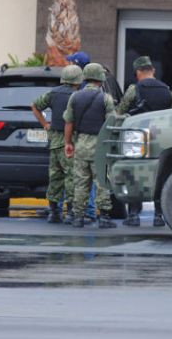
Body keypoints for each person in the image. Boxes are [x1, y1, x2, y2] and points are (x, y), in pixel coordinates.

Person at [116, 56, 172, 227]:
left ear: (138, 72)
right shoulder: (166, 89)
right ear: (152, 70)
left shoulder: (134, 89)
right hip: (161, 136)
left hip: (138, 137)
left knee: (134, 173)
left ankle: (133, 215)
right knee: (161, 173)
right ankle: (158, 215)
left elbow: (120, 111)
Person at [64, 63, 117, 229]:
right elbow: (111, 123)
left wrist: (68, 143)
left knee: (80, 183)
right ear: (100, 79)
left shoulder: (75, 97)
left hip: (80, 144)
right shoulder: (106, 98)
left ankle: (78, 217)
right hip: (100, 145)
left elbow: (69, 122)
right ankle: (104, 217)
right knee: (102, 181)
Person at [31, 65, 84, 224]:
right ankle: (71, 213)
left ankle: (54, 212)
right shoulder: (78, 96)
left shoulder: (53, 93)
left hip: (54, 141)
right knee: (71, 176)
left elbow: (34, 106)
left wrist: (45, 125)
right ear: (78, 80)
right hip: (70, 141)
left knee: (55, 177)